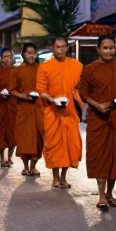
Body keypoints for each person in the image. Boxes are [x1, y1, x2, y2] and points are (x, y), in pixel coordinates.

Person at [77, 34, 116, 209]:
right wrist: (97, 104)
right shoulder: (90, 69)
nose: (109, 51)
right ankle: (101, 195)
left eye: (112, 47)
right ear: (98, 49)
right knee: (99, 157)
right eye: (105, 48)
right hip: (98, 118)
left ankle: (110, 194)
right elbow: (83, 93)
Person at [37, 36, 84, 189]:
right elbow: (41, 91)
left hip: (70, 112)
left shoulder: (77, 66)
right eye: (58, 47)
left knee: (71, 146)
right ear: (52, 47)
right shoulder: (45, 67)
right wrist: (52, 100)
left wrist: (78, 99)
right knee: (54, 146)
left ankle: (64, 177)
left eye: (64, 47)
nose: (61, 50)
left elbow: (80, 88)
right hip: (53, 112)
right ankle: (55, 178)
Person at [13, 43, 45, 177]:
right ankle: (25, 166)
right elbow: (12, 90)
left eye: (33, 53)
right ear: (22, 55)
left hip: (38, 107)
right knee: (24, 139)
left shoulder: (41, 69)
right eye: (28, 53)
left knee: (38, 139)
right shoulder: (17, 71)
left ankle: (34, 166)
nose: (31, 55)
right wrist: (22, 96)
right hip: (23, 108)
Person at [0, 47, 18, 168]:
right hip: (0, 106)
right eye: (4, 57)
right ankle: (2, 157)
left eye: (9, 56)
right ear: (1, 59)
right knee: (0, 134)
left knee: (13, 134)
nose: (7, 59)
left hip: (13, 106)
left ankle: (10, 156)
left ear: (12, 57)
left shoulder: (18, 71)